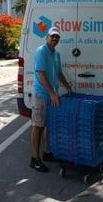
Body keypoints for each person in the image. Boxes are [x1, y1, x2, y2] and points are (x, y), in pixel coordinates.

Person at [30, 26, 72, 172]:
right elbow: (41, 74)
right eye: (52, 36)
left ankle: (47, 153)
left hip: (51, 95)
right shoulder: (41, 51)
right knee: (38, 126)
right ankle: (34, 159)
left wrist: (67, 85)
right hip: (41, 94)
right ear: (47, 37)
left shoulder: (56, 54)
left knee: (49, 125)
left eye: (57, 37)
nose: (54, 39)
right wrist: (52, 93)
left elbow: (59, 72)